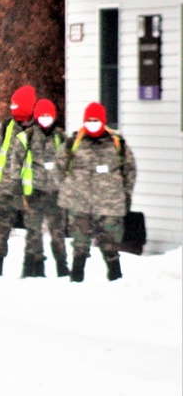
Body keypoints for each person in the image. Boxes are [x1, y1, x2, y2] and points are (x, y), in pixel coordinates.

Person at [56, 102, 137, 282]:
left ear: (103, 121)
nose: (93, 123)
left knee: (110, 244)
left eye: (96, 120)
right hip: (79, 203)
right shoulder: (73, 142)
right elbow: (59, 167)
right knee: (80, 244)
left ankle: (116, 279)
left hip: (109, 204)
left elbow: (129, 170)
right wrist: (68, 189)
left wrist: (124, 194)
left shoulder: (117, 143)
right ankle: (77, 279)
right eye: (89, 120)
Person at [0, 85, 38, 278]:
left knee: (33, 230)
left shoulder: (39, 131)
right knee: (1, 230)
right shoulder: (4, 128)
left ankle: (29, 271)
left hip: (30, 190)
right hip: (6, 190)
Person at [28, 99, 70, 277]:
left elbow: (70, 163)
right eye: (42, 115)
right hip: (35, 191)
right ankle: (36, 268)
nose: (46, 118)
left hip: (55, 193)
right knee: (33, 232)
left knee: (58, 232)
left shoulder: (61, 138)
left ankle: (62, 267)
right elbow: (18, 161)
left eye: (48, 115)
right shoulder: (28, 137)